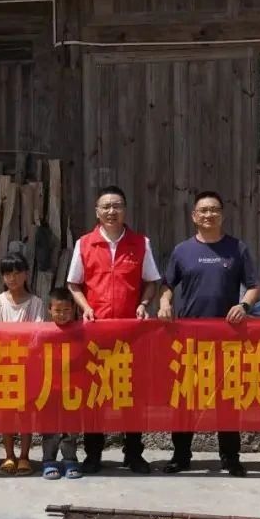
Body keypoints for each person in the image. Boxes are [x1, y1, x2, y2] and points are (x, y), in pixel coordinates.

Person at [158, 191, 260, 478]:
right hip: (189, 338)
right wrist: (165, 303)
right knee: (185, 399)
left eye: (214, 210)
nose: (208, 215)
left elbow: (254, 286)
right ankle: (181, 456)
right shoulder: (182, 251)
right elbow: (167, 285)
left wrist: (244, 305)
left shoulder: (237, 248)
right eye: (203, 210)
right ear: (194, 216)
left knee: (227, 399)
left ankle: (230, 457)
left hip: (228, 337)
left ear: (222, 214)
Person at [67, 185, 162, 475]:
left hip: (131, 334)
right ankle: (93, 454)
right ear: (97, 212)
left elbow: (151, 280)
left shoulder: (140, 243)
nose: (111, 211)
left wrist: (143, 303)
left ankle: (133, 453)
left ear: (125, 210)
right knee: (94, 395)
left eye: (116, 205)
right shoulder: (85, 244)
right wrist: (86, 307)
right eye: (106, 206)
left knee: (132, 396)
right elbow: (73, 283)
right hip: (95, 333)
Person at [0, 252, 44, 476]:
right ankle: (8, 455)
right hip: (2, 365)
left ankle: (24, 456)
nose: (12, 278)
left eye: (16, 273)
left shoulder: (36, 302)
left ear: (25, 274)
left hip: (27, 366)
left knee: (25, 413)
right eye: (7, 274)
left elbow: (37, 334)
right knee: (6, 413)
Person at [41, 287, 83, 480]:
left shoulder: (80, 330)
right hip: (49, 388)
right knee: (50, 428)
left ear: (73, 309)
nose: (62, 314)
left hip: (73, 389)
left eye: (66, 310)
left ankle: (69, 459)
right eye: (57, 310)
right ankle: (49, 460)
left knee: (71, 428)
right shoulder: (43, 331)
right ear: (49, 310)